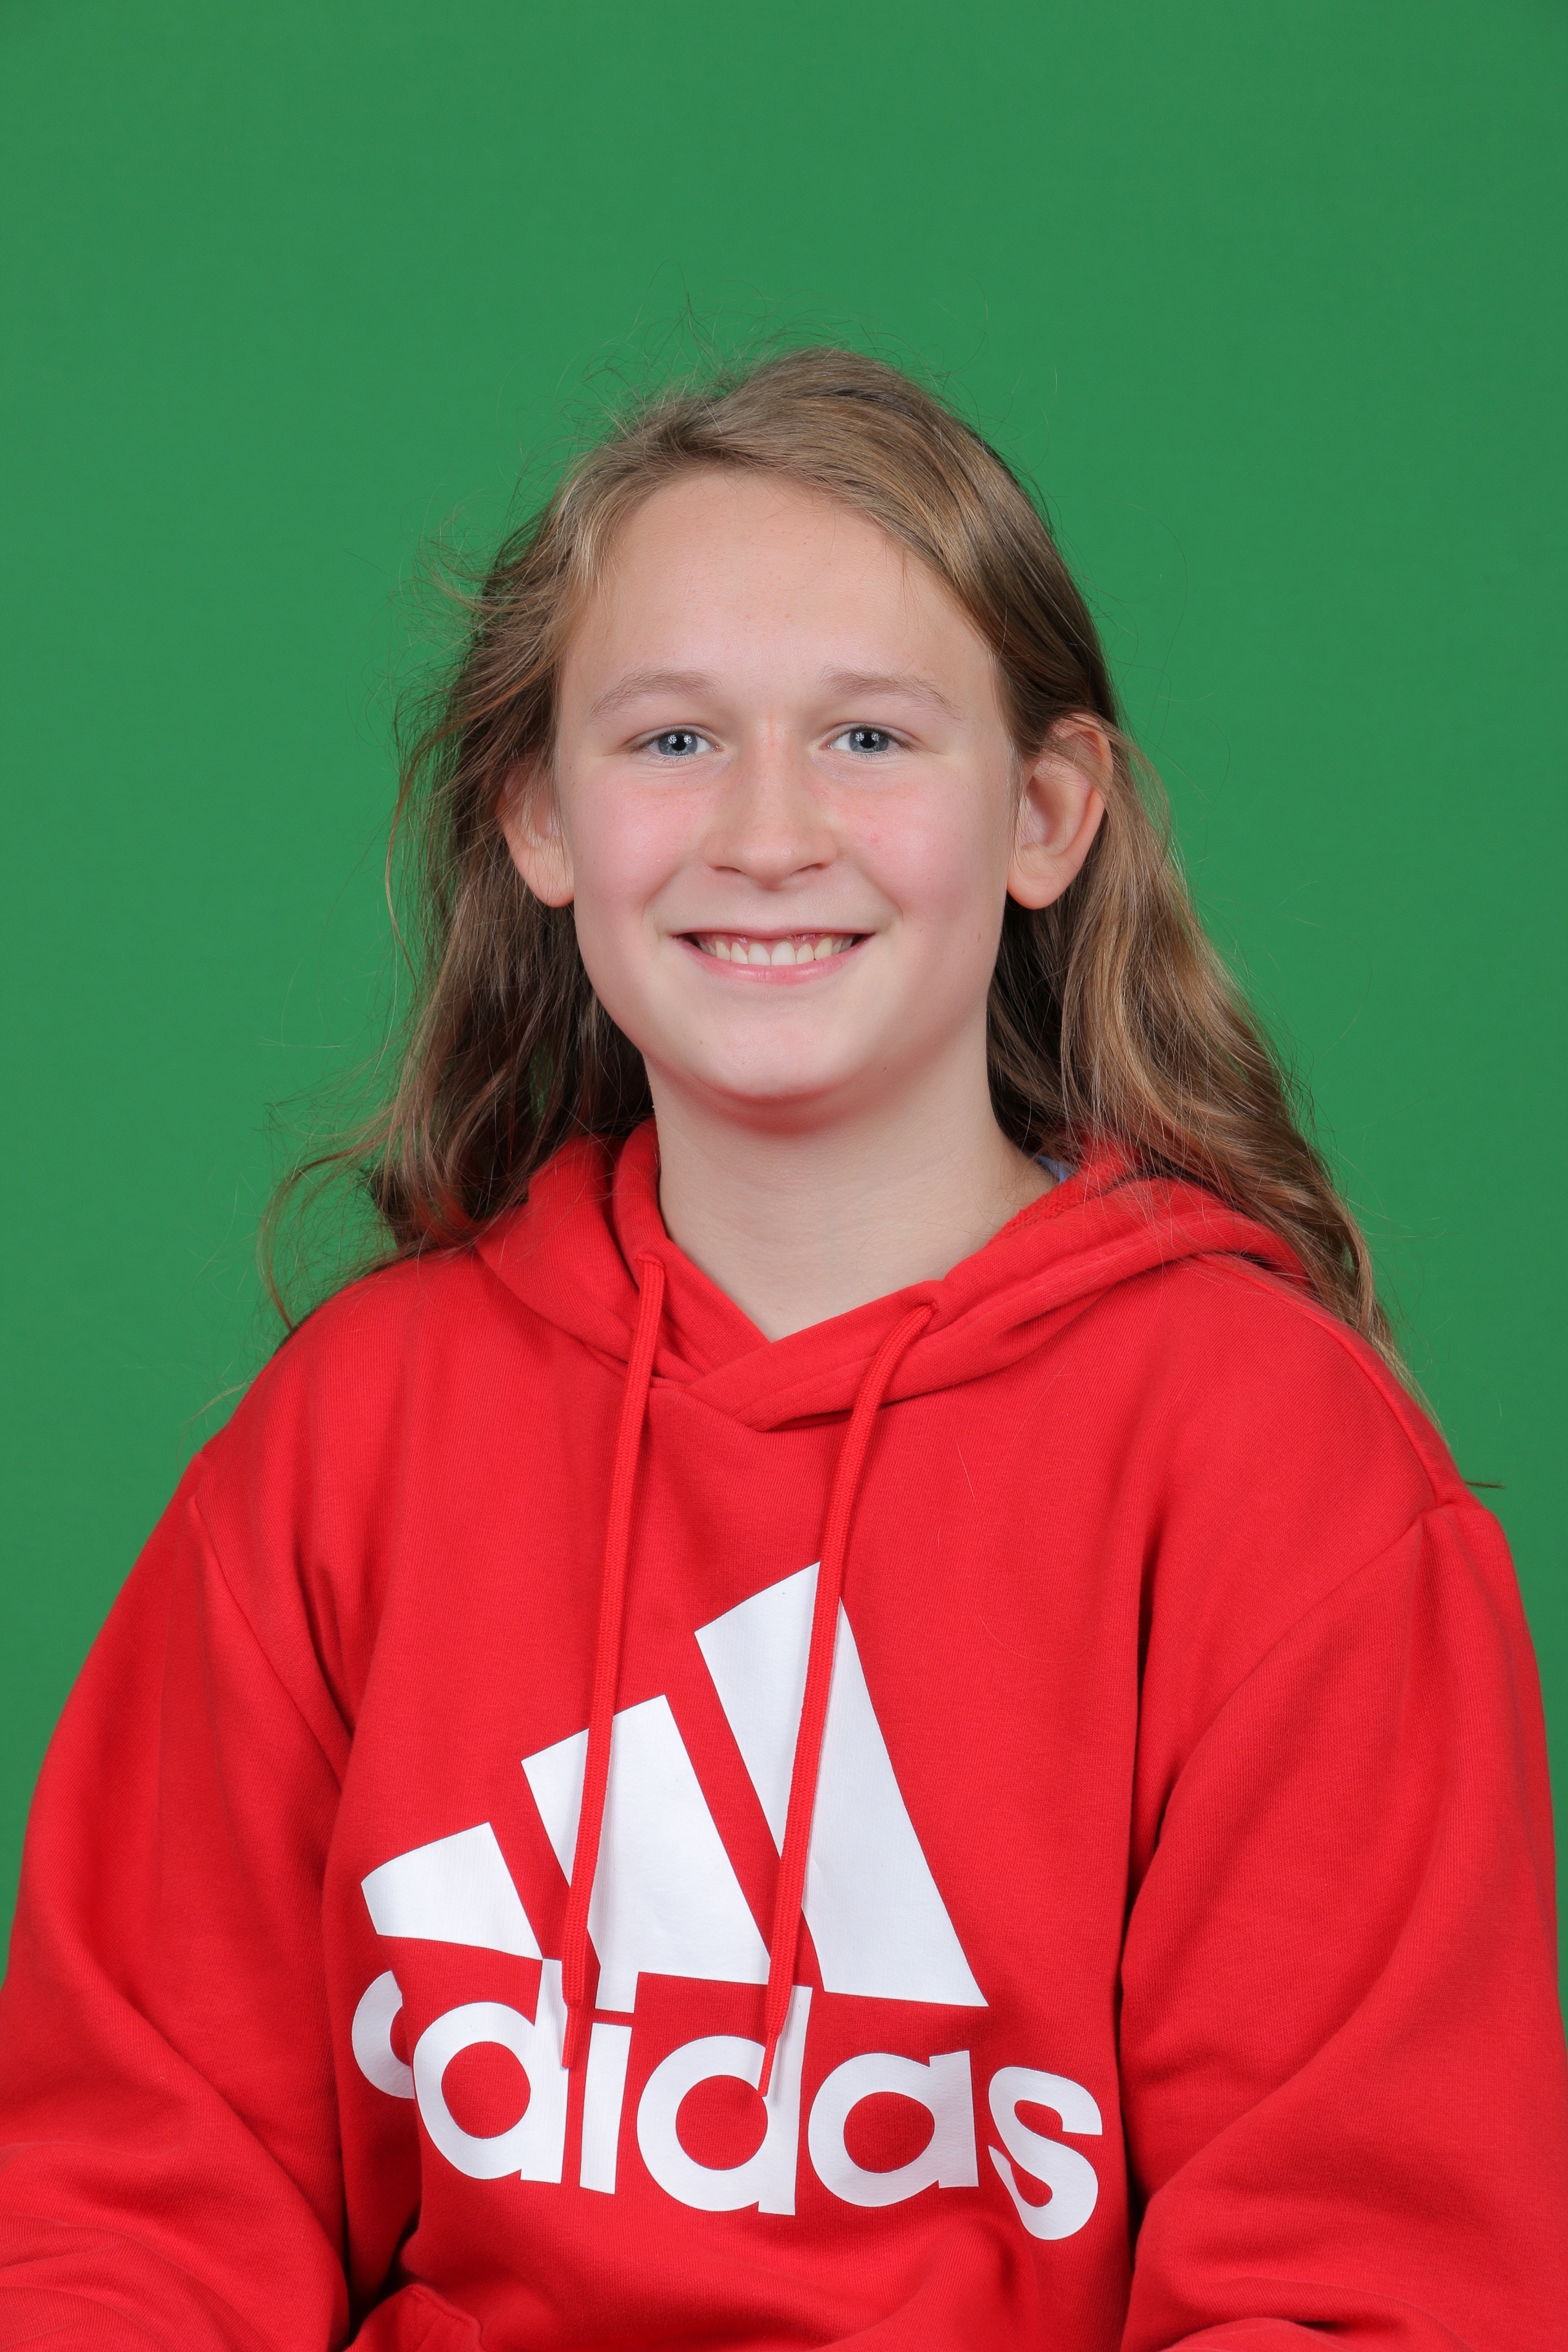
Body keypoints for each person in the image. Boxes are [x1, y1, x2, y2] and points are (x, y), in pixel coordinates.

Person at [0, 347, 1563, 2352]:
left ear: (1046, 815)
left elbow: (1365, 2286)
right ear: (539, 819)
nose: (763, 832)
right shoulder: (356, 1431)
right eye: (671, 738)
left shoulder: (1277, 1467)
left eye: (869, 737)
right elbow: (131, 2202)